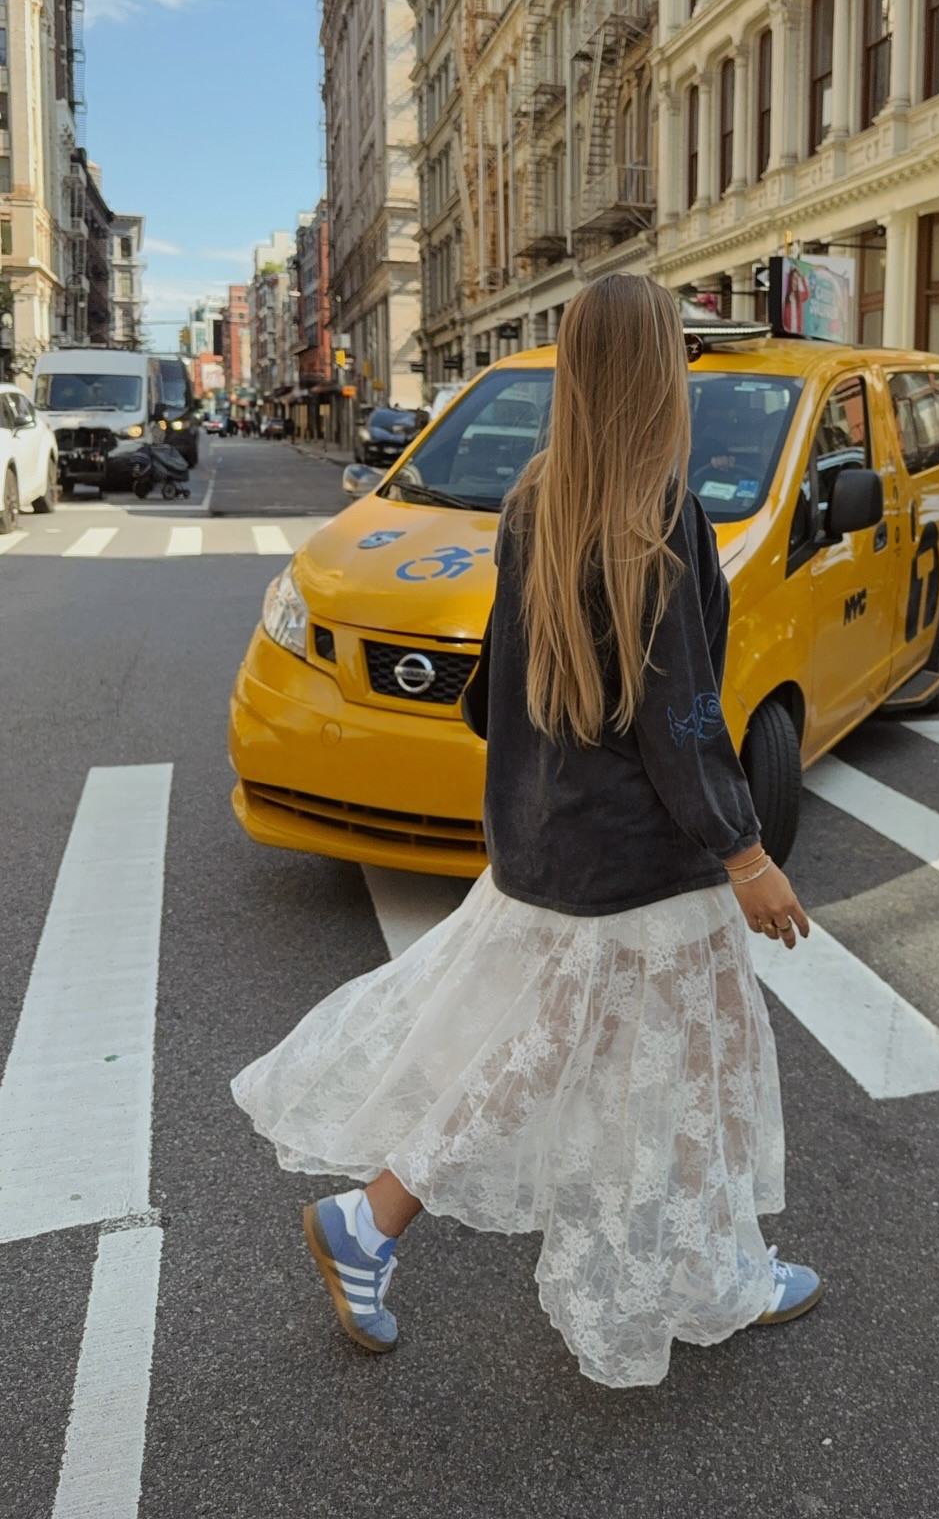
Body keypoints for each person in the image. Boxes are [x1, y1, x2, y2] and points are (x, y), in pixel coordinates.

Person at [232, 274, 818, 1389]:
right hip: (646, 864)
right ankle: (717, 1278)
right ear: (659, 372)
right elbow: (683, 714)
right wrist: (745, 854)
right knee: (693, 1062)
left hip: (545, 844)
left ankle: (371, 1223)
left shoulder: (538, 495)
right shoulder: (661, 514)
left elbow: (493, 682)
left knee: (533, 1051)